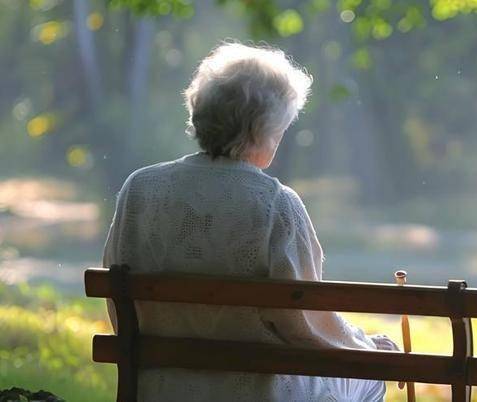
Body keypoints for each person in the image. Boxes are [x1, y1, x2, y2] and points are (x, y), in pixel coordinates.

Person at [103, 40, 398, 402]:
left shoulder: (140, 188)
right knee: (370, 378)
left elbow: (121, 308)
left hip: (158, 389)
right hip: (259, 392)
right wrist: (368, 346)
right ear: (262, 131)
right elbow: (305, 326)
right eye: (281, 129)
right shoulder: (275, 203)